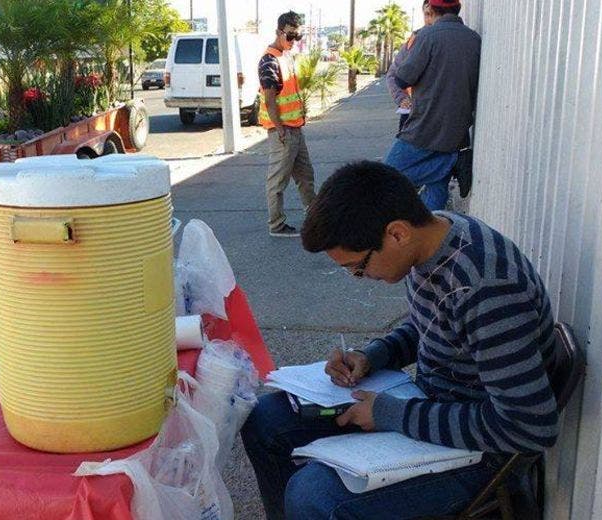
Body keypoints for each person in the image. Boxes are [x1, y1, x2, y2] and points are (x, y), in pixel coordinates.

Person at [240, 161, 561, 520]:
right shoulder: (433, 235)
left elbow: (529, 427)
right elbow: (437, 326)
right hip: (432, 404)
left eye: (358, 266)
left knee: (313, 494)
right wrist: (374, 355)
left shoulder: (487, 288)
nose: (359, 278)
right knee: (265, 419)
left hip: (483, 450)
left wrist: (391, 414)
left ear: (396, 234)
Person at [385, 0, 480, 210]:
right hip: (457, 132)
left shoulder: (427, 36)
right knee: (437, 190)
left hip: (425, 127)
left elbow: (402, 78)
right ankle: (429, 239)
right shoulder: (473, 39)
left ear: (430, 9)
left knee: (387, 177)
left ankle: (450, 163)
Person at [258, 11, 316, 238]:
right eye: (290, 36)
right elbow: (270, 99)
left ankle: (314, 217)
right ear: (278, 32)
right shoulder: (269, 60)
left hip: (295, 128)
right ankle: (277, 224)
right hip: (283, 131)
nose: (293, 41)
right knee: (277, 181)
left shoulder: (285, 56)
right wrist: (280, 129)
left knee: (305, 176)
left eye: (297, 36)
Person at [386, 1, 437, 132]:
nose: (430, 20)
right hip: (411, 112)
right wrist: (401, 98)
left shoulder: (449, 40)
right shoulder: (414, 39)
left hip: (437, 114)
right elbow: (392, 74)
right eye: (427, 14)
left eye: (433, 14)